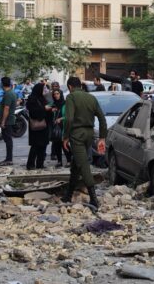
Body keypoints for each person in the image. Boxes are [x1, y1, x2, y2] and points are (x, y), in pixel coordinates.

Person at [61, 77, 107, 209]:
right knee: (77, 163)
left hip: (77, 135)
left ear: (70, 87)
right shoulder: (91, 97)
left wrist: (65, 136)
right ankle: (68, 194)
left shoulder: (71, 97)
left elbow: (69, 119)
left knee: (84, 165)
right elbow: (102, 118)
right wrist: (102, 137)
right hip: (89, 134)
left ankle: (94, 199)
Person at [26, 83, 51, 170]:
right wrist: (44, 108)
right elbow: (33, 112)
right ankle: (30, 164)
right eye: (43, 88)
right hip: (36, 126)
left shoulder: (43, 98)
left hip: (44, 125)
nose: (44, 90)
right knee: (35, 146)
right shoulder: (32, 99)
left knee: (43, 145)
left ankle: (40, 164)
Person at [0, 77, 18, 166]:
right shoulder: (10, 93)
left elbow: (6, 108)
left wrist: (3, 122)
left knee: (8, 140)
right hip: (8, 120)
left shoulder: (8, 94)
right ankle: (8, 158)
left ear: (2, 84)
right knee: (7, 140)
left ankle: (9, 159)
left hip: (8, 121)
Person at [49, 89, 70, 167]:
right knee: (56, 144)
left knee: (65, 144)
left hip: (64, 126)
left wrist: (61, 119)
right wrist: (51, 111)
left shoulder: (65, 104)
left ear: (60, 94)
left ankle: (69, 160)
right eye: (54, 94)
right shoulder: (53, 104)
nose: (56, 95)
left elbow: (69, 116)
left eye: (57, 93)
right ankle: (59, 161)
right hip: (55, 127)